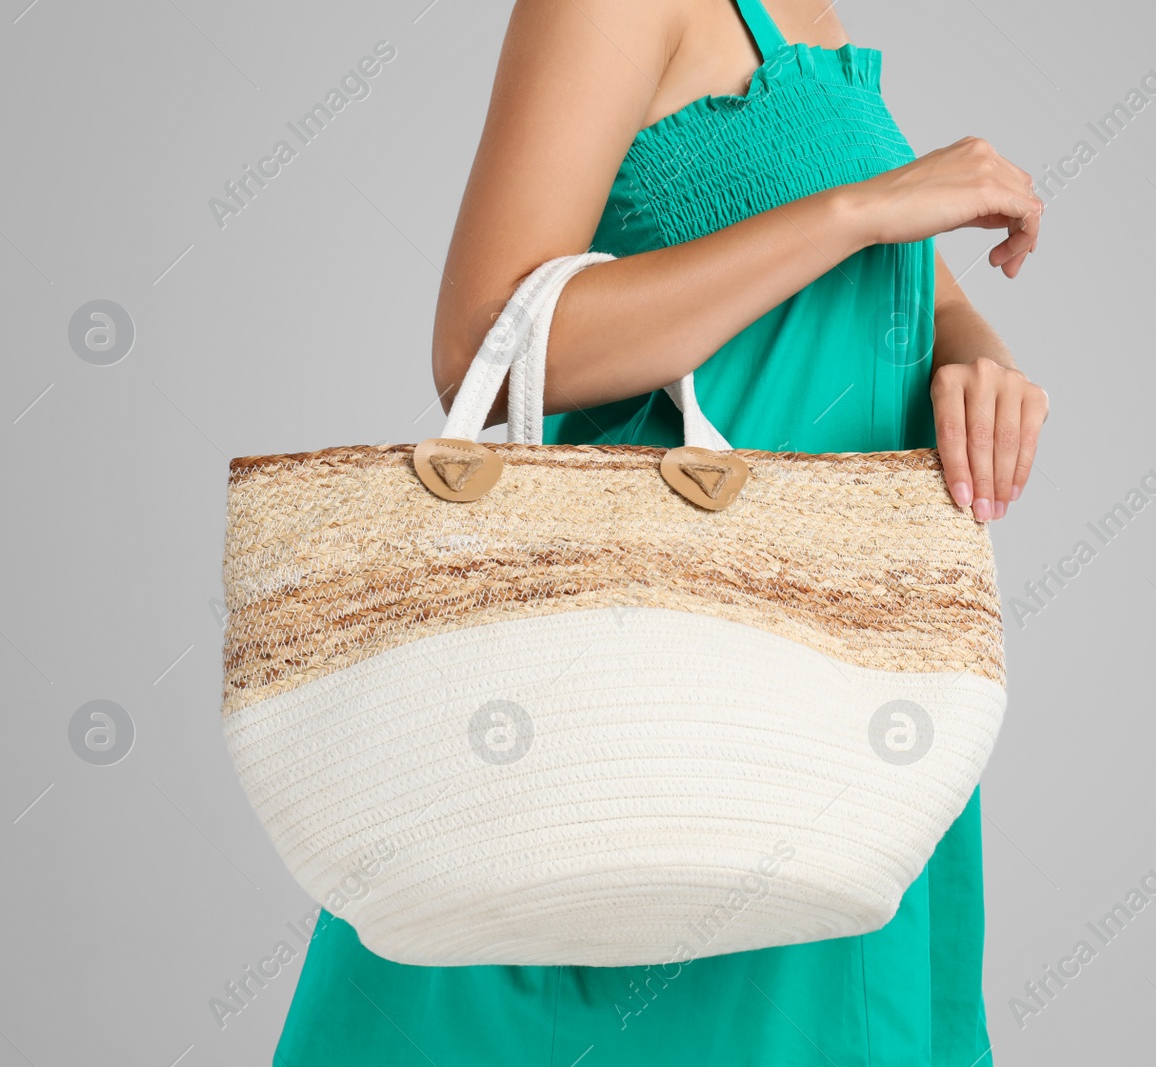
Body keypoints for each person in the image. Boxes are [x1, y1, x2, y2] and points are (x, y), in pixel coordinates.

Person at [273, 1, 1047, 1063]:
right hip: (670, 666)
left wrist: (977, 353)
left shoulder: (797, 9)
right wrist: (859, 209)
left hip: (838, 667)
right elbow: (482, 340)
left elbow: (903, 280)